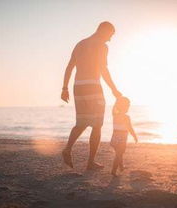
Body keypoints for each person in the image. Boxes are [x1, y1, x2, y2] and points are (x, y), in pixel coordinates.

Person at [61, 21, 122, 170]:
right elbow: (103, 70)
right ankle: (90, 162)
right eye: (110, 35)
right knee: (97, 125)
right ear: (103, 30)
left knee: (82, 122)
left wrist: (64, 88)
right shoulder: (102, 46)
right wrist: (114, 89)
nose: (110, 39)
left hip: (78, 87)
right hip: (93, 87)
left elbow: (70, 66)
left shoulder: (80, 44)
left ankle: (68, 148)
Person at [110, 97, 138, 176]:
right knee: (119, 154)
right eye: (127, 106)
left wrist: (116, 101)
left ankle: (121, 166)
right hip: (122, 137)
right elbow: (130, 128)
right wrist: (134, 136)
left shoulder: (115, 115)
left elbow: (113, 108)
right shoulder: (126, 117)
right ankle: (113, 170)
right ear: (124, 107)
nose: (128, 107)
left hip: (115, 136)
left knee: (119, 153)